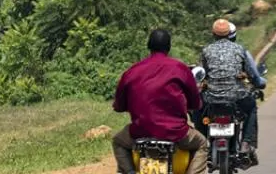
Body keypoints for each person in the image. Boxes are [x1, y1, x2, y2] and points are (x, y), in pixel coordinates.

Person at [112, 29, 208, 174]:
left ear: (149, 46)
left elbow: (119, 106)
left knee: (118, 141)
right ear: (168, 47)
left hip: (140, 132)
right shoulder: (180, 68)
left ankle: (130, 172)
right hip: (176, 133)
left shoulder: (132, 71)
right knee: (202, 144)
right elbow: (195, 103)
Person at [199, 20, 267, 160]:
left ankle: (202, 141)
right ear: (230, 34)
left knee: (198, 111)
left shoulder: (206, 51)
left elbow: (203, 74)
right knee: (252, 108)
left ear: (213, 34)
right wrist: (259, 83)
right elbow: (252, 74)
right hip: (236, 97)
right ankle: (246, 143)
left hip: (211, 97)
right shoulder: (240, 50)